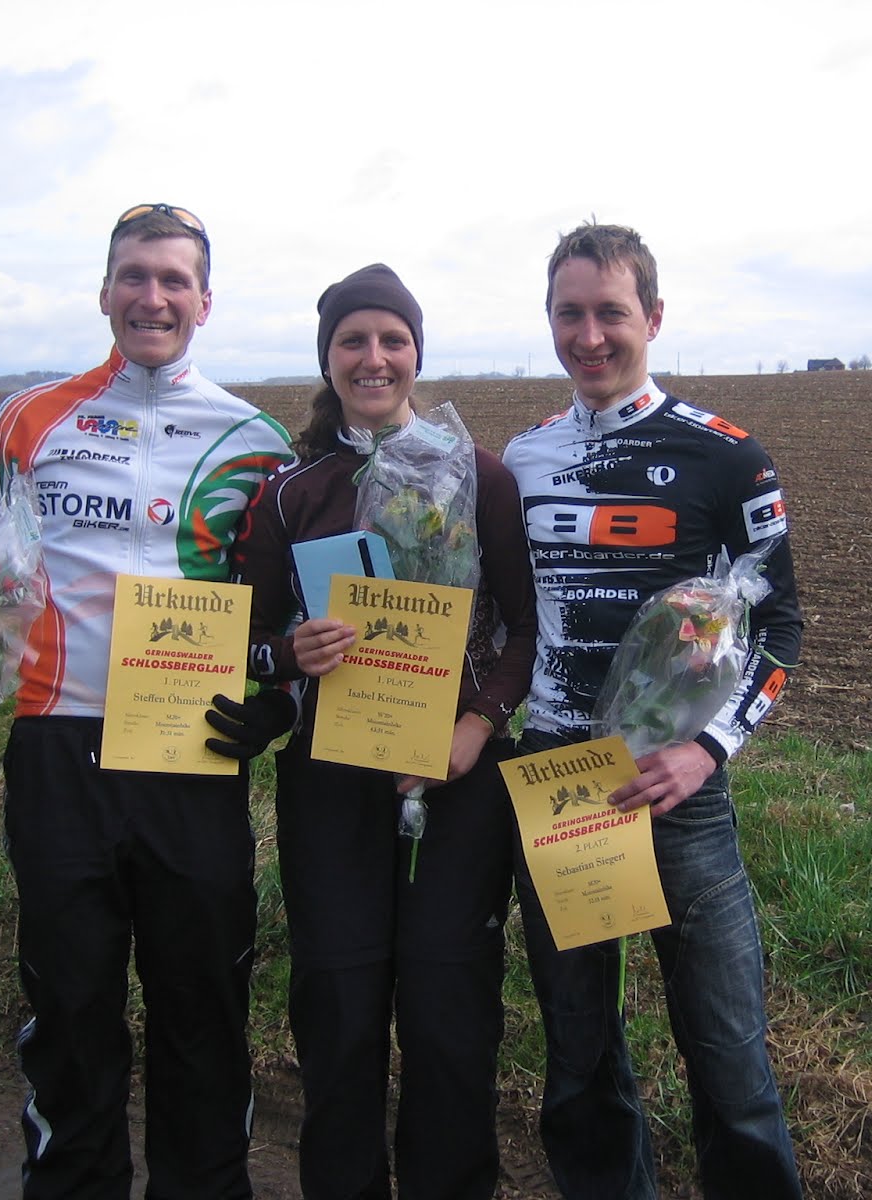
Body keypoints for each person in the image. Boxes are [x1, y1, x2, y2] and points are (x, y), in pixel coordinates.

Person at [0, 203, 296, 1199]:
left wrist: (280, 703)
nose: (151, 297)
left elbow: (289, 612)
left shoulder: (256, 441)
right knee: (72, 1012)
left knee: (202, 1015)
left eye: (173, 280)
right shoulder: (30, 417)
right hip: (58, 754)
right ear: (103, 292)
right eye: (133, 275)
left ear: (204, 302)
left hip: (191, 759)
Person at [501, 222, 807, 1200]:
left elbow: (780, 628)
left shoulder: (727, 457)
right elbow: (502, 618)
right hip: (560, 779)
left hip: (678, 791)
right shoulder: (523, 459)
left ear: (654, 317)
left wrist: (707, 751)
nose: (588, 336)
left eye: (611, 313)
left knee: (728, 1056)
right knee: (580, 1057)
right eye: (569, 314)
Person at [230, 263, 537, 1199]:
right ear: (327, 358)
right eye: (352, 340)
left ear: (416, 354)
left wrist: (479, 724)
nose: (374, 357)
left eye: (393, 340)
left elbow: (524, 630)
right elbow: (243, 638)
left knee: (451, 1016)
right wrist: (289, 655)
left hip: (457, 777)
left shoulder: (477, 474)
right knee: (338, 1010)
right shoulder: (292, 490)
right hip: (331, 781)